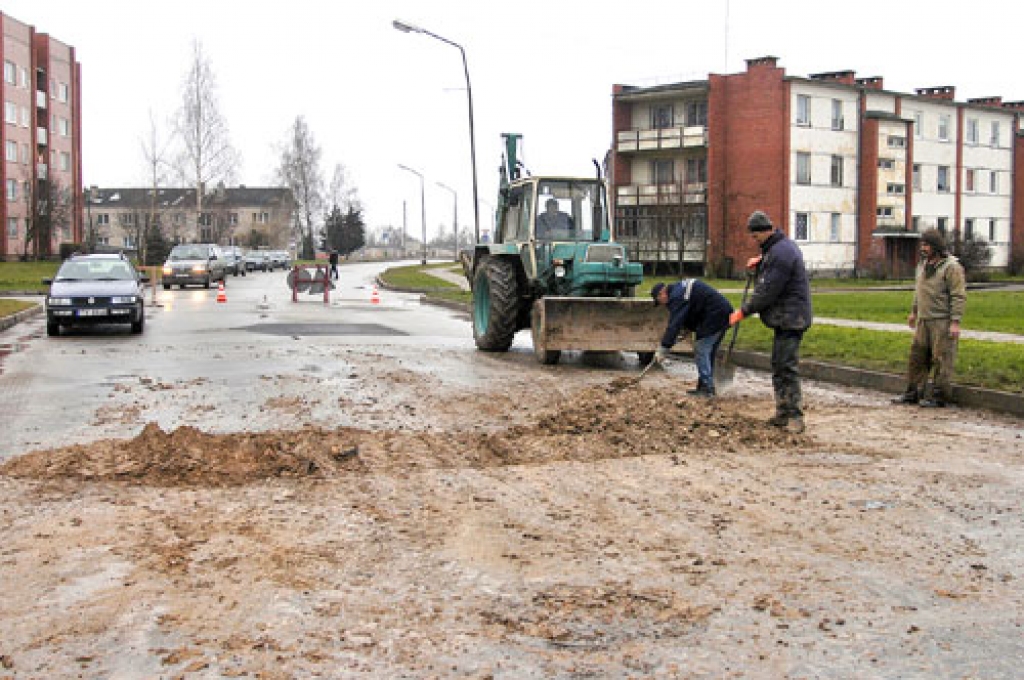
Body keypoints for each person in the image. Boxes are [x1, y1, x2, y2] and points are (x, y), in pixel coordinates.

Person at [728, 210, 813, 433]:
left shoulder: (781, 253)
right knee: (779, 365)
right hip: (787, 316)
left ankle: (795, 416)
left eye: (755, 238)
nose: (754, 242)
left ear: (764, 231)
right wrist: (762, 261)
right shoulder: (778, 249)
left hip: (791, 317)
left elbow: (768, 291)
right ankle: (783, 413)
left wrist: (744, 311)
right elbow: (771, 275)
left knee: (786, 367)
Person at [892, 228, 966, 408]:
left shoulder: (951, 267)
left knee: (942, 358)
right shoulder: (923, 265)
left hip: (942, 320)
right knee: (917, 357)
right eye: (922, 244)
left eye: (926, 245)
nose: (923, 248)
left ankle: (940, 396)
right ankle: (913, 392)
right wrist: (914, 311)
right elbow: (919, 291)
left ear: (935, 246)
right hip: (923, 320)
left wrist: (955, 322)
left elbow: (958, 295)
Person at [652, 279, 733, 397]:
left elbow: (674, 324)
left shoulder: (676, 296)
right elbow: (692, 308)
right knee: (707, 352)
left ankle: (707, 388)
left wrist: (664, 348)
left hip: (716, 315)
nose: (662, 305)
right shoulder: (679, 290)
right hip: (719, 313)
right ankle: (705, 385)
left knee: (701, 349)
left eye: (659, 301)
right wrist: (688, 327)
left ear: (662, 293)